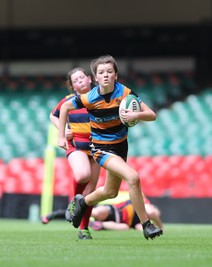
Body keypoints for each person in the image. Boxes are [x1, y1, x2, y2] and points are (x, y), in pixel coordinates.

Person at [57, 55, 163, 240]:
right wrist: (61, 135)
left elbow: (151, 115)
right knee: (133, 177)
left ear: (116, 75)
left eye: (109, 71)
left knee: (110, 192)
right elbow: (65, 107)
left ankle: (81, 201)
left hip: (121, 148)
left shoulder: (125, 94)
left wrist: (135, 114)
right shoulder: (90, 98)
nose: (105, 75)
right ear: (95, 78)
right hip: (101, 149)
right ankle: (147, 225)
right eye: (101, 72)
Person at [46, 67, 101, 240]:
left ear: (90, 79)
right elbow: (53, 115)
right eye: (75, 81)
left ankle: (84, 228)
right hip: (76, 144)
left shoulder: (101, 98)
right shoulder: (69, 100)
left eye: (81, 78)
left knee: (91, 193)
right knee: (83, 175)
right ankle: (73, 201)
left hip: (98, 147)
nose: (79, 82)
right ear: (72, 86)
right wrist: (63, 130)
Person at [89, 196, 164, 232]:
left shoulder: (141, 222)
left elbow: (140, 228)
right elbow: (152, 212)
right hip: (114, 210)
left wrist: (153, 228)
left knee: (125, 228)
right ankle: (81, 211)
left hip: (118, 222)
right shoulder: (143, 203)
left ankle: (97, 224)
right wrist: (161, 227)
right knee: (96, 212)